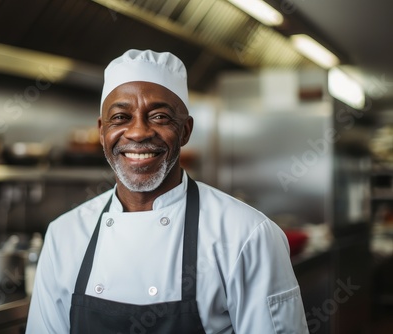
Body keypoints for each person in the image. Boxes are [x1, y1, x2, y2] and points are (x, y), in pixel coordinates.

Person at [26, 49, 309, 333]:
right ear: (102, 132)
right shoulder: (64, 235)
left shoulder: (247, 236)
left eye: (159, 117)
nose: (138, 133)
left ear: (185, 130)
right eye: (121, 117)